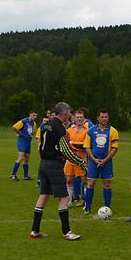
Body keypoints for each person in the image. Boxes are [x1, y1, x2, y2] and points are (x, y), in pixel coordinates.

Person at [30, 102, 85, 241]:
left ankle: (35, 230)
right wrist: (80, 161)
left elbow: (40, 145)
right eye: (69, 113)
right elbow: (66, 150)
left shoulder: (45, 125)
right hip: (54, 165)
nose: (70, 115)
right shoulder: (60, 128)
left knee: (44, 195)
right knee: (64, 197)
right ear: (64, 113)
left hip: (43, 163)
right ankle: (67, 232)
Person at [83, 109, 119, 214]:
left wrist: (105, 160)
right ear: (98, 118)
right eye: (102, 117)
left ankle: (107, 208)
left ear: (108, 118)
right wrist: (94, 160)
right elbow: (87, 147)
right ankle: (87, 207)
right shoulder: (91, 130)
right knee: (90, 183)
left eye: (106, 117)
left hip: (107, 162)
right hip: (93, 161)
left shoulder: (113, 131)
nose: (104, 119)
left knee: (107, 183)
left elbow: (114, 148)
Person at [64, 108, 89, 206]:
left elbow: (86, 146)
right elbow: (66, 144)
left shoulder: (87, 131)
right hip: (70, 159)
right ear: (74, 118)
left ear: (84, 118)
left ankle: (86, 201)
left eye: (81, 117)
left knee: (85, 181)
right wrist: (73, 145)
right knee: (69, 180)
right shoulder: (68, 130)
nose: (79, 119)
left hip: (82, 159)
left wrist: (73, 144)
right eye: (77, 117)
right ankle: (69, 200)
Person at [11, 109, 38, 180]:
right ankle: (13, 174)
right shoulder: (24, 121)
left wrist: (33, 135)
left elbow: (34, 132)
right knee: (21, 157)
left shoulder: (34, 123)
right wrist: (20, 133)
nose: (35, 117)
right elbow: (14, 127)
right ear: (30, 114)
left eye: (36, 116)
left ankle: (26, 176)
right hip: (22, 141)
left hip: (28, 142)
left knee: (26, 159)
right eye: (34, 115)